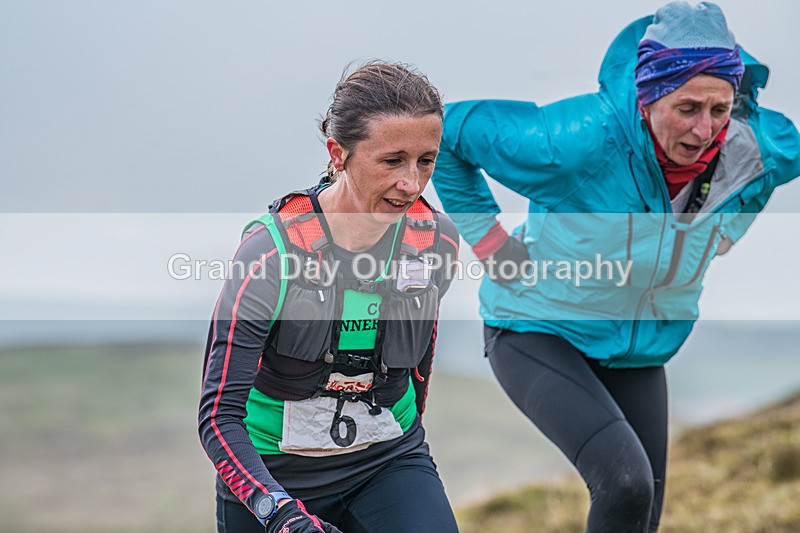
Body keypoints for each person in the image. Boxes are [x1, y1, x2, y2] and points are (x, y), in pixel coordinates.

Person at [431, 2, 799, 532]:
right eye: (688, 107)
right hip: (536, 329)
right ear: (648, 98)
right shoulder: (576, 140)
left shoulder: (755, 149)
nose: (705, 130)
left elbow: (779, 161)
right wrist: (491, 243)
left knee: (642, 511)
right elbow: (449, 135)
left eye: (719, 109)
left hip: (640, 346)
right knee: (623, 482)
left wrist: (730, 223)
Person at [199, 61, 461, 533]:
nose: (412, 184)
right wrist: (280, 515)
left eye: (427, 160)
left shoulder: (435, 241)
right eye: (391, 161)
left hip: (386, 462)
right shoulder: (269, 255)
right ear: (337, 153)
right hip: (272, 477)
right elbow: (218, 418)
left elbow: (418, 370)